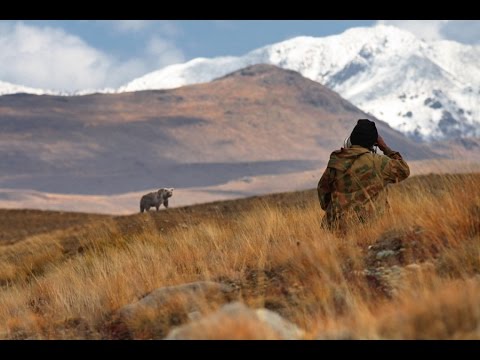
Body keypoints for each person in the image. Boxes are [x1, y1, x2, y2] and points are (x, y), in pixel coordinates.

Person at [317, 119, 410, 231]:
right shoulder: (379, 162)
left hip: (335, 229)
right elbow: (404, 170)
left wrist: (335, 210)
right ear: (374, 143)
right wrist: (384, 147)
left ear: (351, 140)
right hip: (371, 228)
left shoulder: (337, 160)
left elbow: (323, 193)